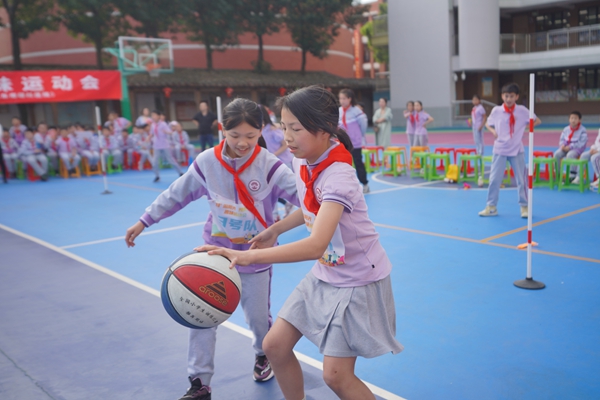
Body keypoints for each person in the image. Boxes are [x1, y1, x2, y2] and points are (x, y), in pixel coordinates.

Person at [197, 86, 403, 400]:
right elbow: (310, 208)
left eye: (295, 128)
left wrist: (245, 257)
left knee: (336, 376)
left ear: (323, 129)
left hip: (357, 281)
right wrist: (276, 228)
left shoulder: (340, 177)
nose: (287, 137)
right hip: (327, 273)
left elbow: (315, 244)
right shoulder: (302, 160)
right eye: (283, 127)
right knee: (274, 346)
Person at [124, 98, 299, 400]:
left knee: (259, 319)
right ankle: (199, 382)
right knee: (201, 316)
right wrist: (145, 220)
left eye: (251, 136)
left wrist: (290, 224)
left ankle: (262, 354)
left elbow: (306, 200)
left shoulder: (271, 166)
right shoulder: (207, 162)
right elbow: (176, 194)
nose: (243, 143)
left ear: (262, 132)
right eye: (235, 136)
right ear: (222, 130)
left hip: (255, 258)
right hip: (215, 257)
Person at [479, 83, 541, 218]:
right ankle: (491, 206)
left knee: (521, 179)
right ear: (502, 96)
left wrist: (525, 129)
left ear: (517, 97)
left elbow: (536, 121)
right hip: (500, 149)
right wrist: (494, 131)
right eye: (506, 96)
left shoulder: (523, 111)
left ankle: (524, 207)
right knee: (494, 179)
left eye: (511, 96)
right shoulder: (496, 111)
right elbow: (488, 123)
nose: (508, 99)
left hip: (516, 149)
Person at [260, 105, 295, 221]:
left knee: (282, 188)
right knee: (269, 189)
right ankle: (276, 215)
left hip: (283, 162)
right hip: (269, 164)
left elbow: (285, 144)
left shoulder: (273, 129)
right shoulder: (260, 129)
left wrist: (273, 155)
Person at [338, 88, 369, 194]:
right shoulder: (339, 111)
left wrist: (360, 136)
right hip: (343, 143)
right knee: (345, 164)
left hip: (355, 143)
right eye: (340, 98)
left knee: (358, 163)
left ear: (350, 99)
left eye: (344, 98)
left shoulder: (357, 111)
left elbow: (363, 126)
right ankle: (348, 186)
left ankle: (365, 184)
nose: (342, 101)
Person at [149, 110, 182, 182]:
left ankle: (180, 172)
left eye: (154, 115)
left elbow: (170, 132)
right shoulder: (153, 125)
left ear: (158, 116)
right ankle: (157, 176)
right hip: (156, 146)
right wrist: (148, 138)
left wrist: (167, 132)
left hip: (164, 145)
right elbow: (151, 134)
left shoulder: (163, 124)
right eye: (152, 115)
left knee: (171, 160)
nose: (153, 117)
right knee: (155, 162)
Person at [554, 111, 587, 182]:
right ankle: (558, 173)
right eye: (571, 118)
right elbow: (562, 139)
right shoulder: (566, 129)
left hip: (577, 149)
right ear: (569, 119)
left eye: (575, 118)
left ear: (579, 120)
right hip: (565, 147)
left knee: (570, 155)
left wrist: (570, 147)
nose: (573, 120)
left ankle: (572, 175)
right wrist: (562, 145)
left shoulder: (583, 130)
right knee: (557, 154)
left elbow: (581, 143)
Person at [579, 124, 600, 189]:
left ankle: (599, 179)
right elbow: (597, 142)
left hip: (598, 151)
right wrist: (593, 148)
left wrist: (598, 150)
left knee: (594, 158)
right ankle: (579, 177)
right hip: (597, 150)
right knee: (584, 155)